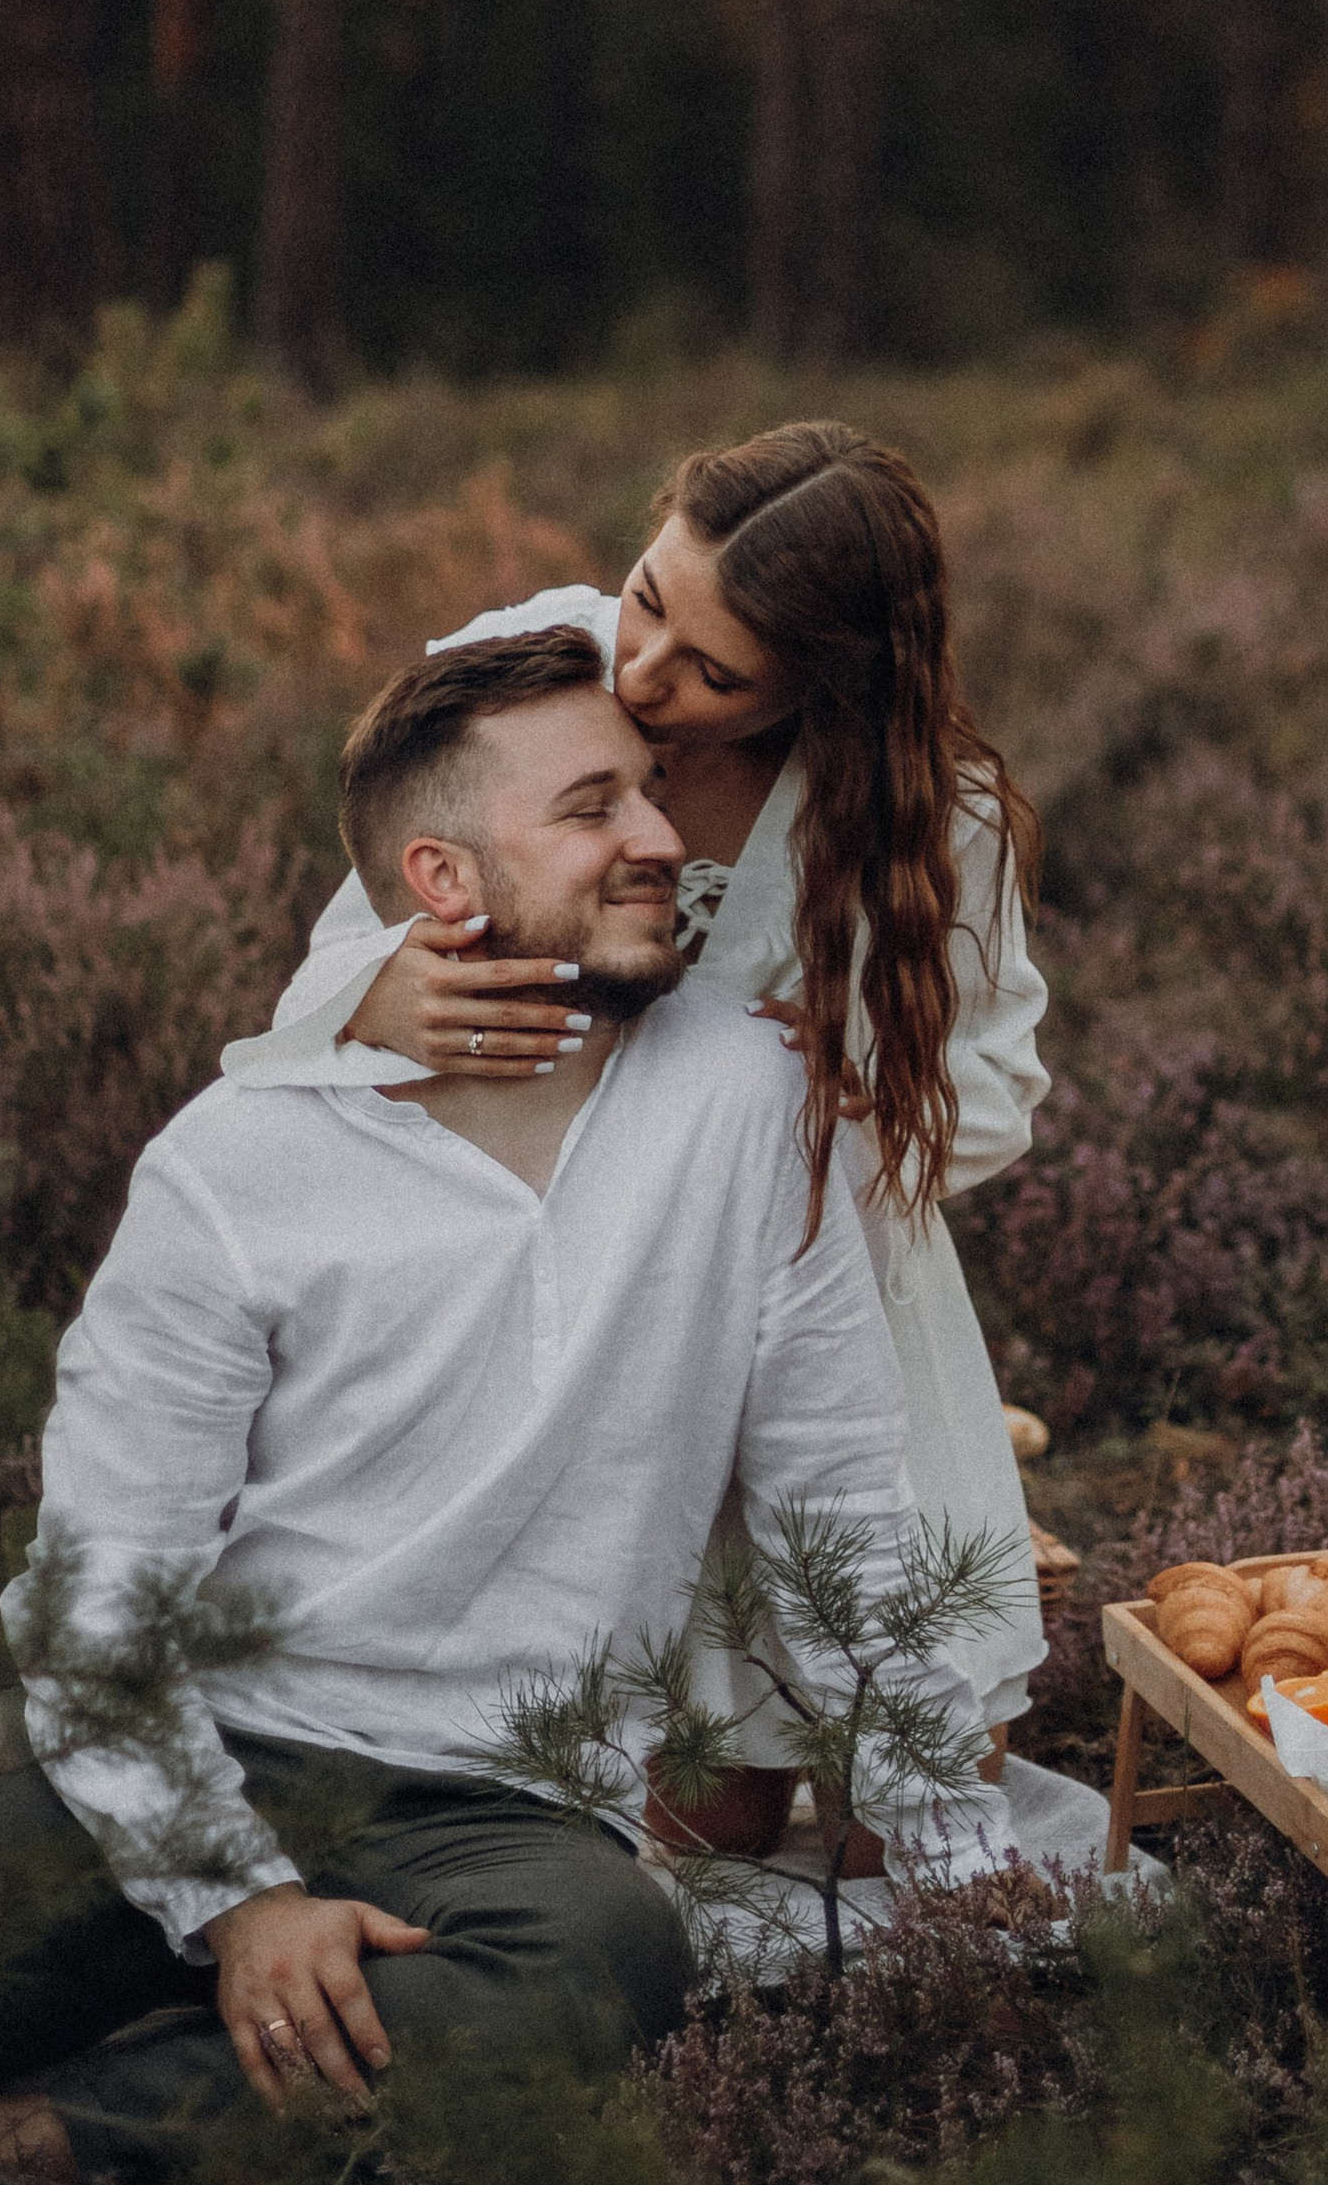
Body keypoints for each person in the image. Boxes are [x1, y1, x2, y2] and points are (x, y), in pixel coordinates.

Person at [0, 631, 1000, 2184]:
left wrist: (965, 1878)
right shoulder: (235, 1162)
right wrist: (241, 1895)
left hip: (502, 1801)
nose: (666, 841)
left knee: (607, 1962)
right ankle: (182, 1998)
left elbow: (841, 1519)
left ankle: (55, 2140)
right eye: (595, 808)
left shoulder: (747, 1107)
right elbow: (99, 1595)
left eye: (651, 796)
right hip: (176, 1730)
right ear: (442, 879)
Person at [223, 422, 1051, 1766]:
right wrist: (382, 996)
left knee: (922, 1787)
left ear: (822, 685)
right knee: (672, 1812)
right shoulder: (547, 672)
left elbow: (994, 1081)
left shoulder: (924, 811)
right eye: (648, 595)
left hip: (814, 1313)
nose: (645, 672)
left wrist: (840, 1105)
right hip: (559, 1301)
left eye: (714, 670)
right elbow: (345, 945)